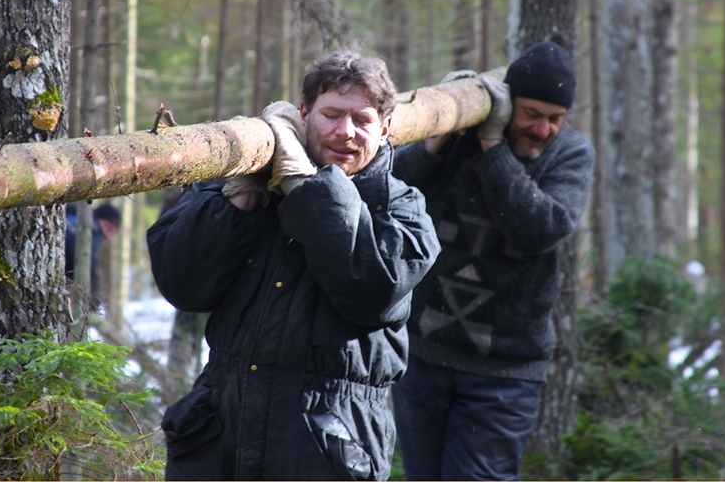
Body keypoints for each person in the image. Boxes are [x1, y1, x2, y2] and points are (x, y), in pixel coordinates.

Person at [146, 47, 441, 480]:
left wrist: (305, 186)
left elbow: (369, 290)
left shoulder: (402, 209)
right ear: (303, 115)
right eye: (331, 115)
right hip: (219, 434)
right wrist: (240, 200)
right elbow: (183, 285)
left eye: (362, 120)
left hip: (326, 444)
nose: (346, 132)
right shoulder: (250, 183)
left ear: (386, 128)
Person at [390, 41, 595, 480]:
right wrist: (438, 132)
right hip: (422, 357)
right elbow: (390, 191)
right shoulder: (458, 141)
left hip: (505, 373)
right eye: (532, 114)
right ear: (508, 104)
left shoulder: (571, 155)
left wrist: (491, 146)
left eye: (554, 119)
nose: (543, 130)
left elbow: (540, 227)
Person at [65, 202, 121, 310]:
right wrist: (94, 299)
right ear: (101, 220)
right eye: (109, 228)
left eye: (113, 233)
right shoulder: (91, 229)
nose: (108, 236)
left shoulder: (72, 215)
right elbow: (89, 265)